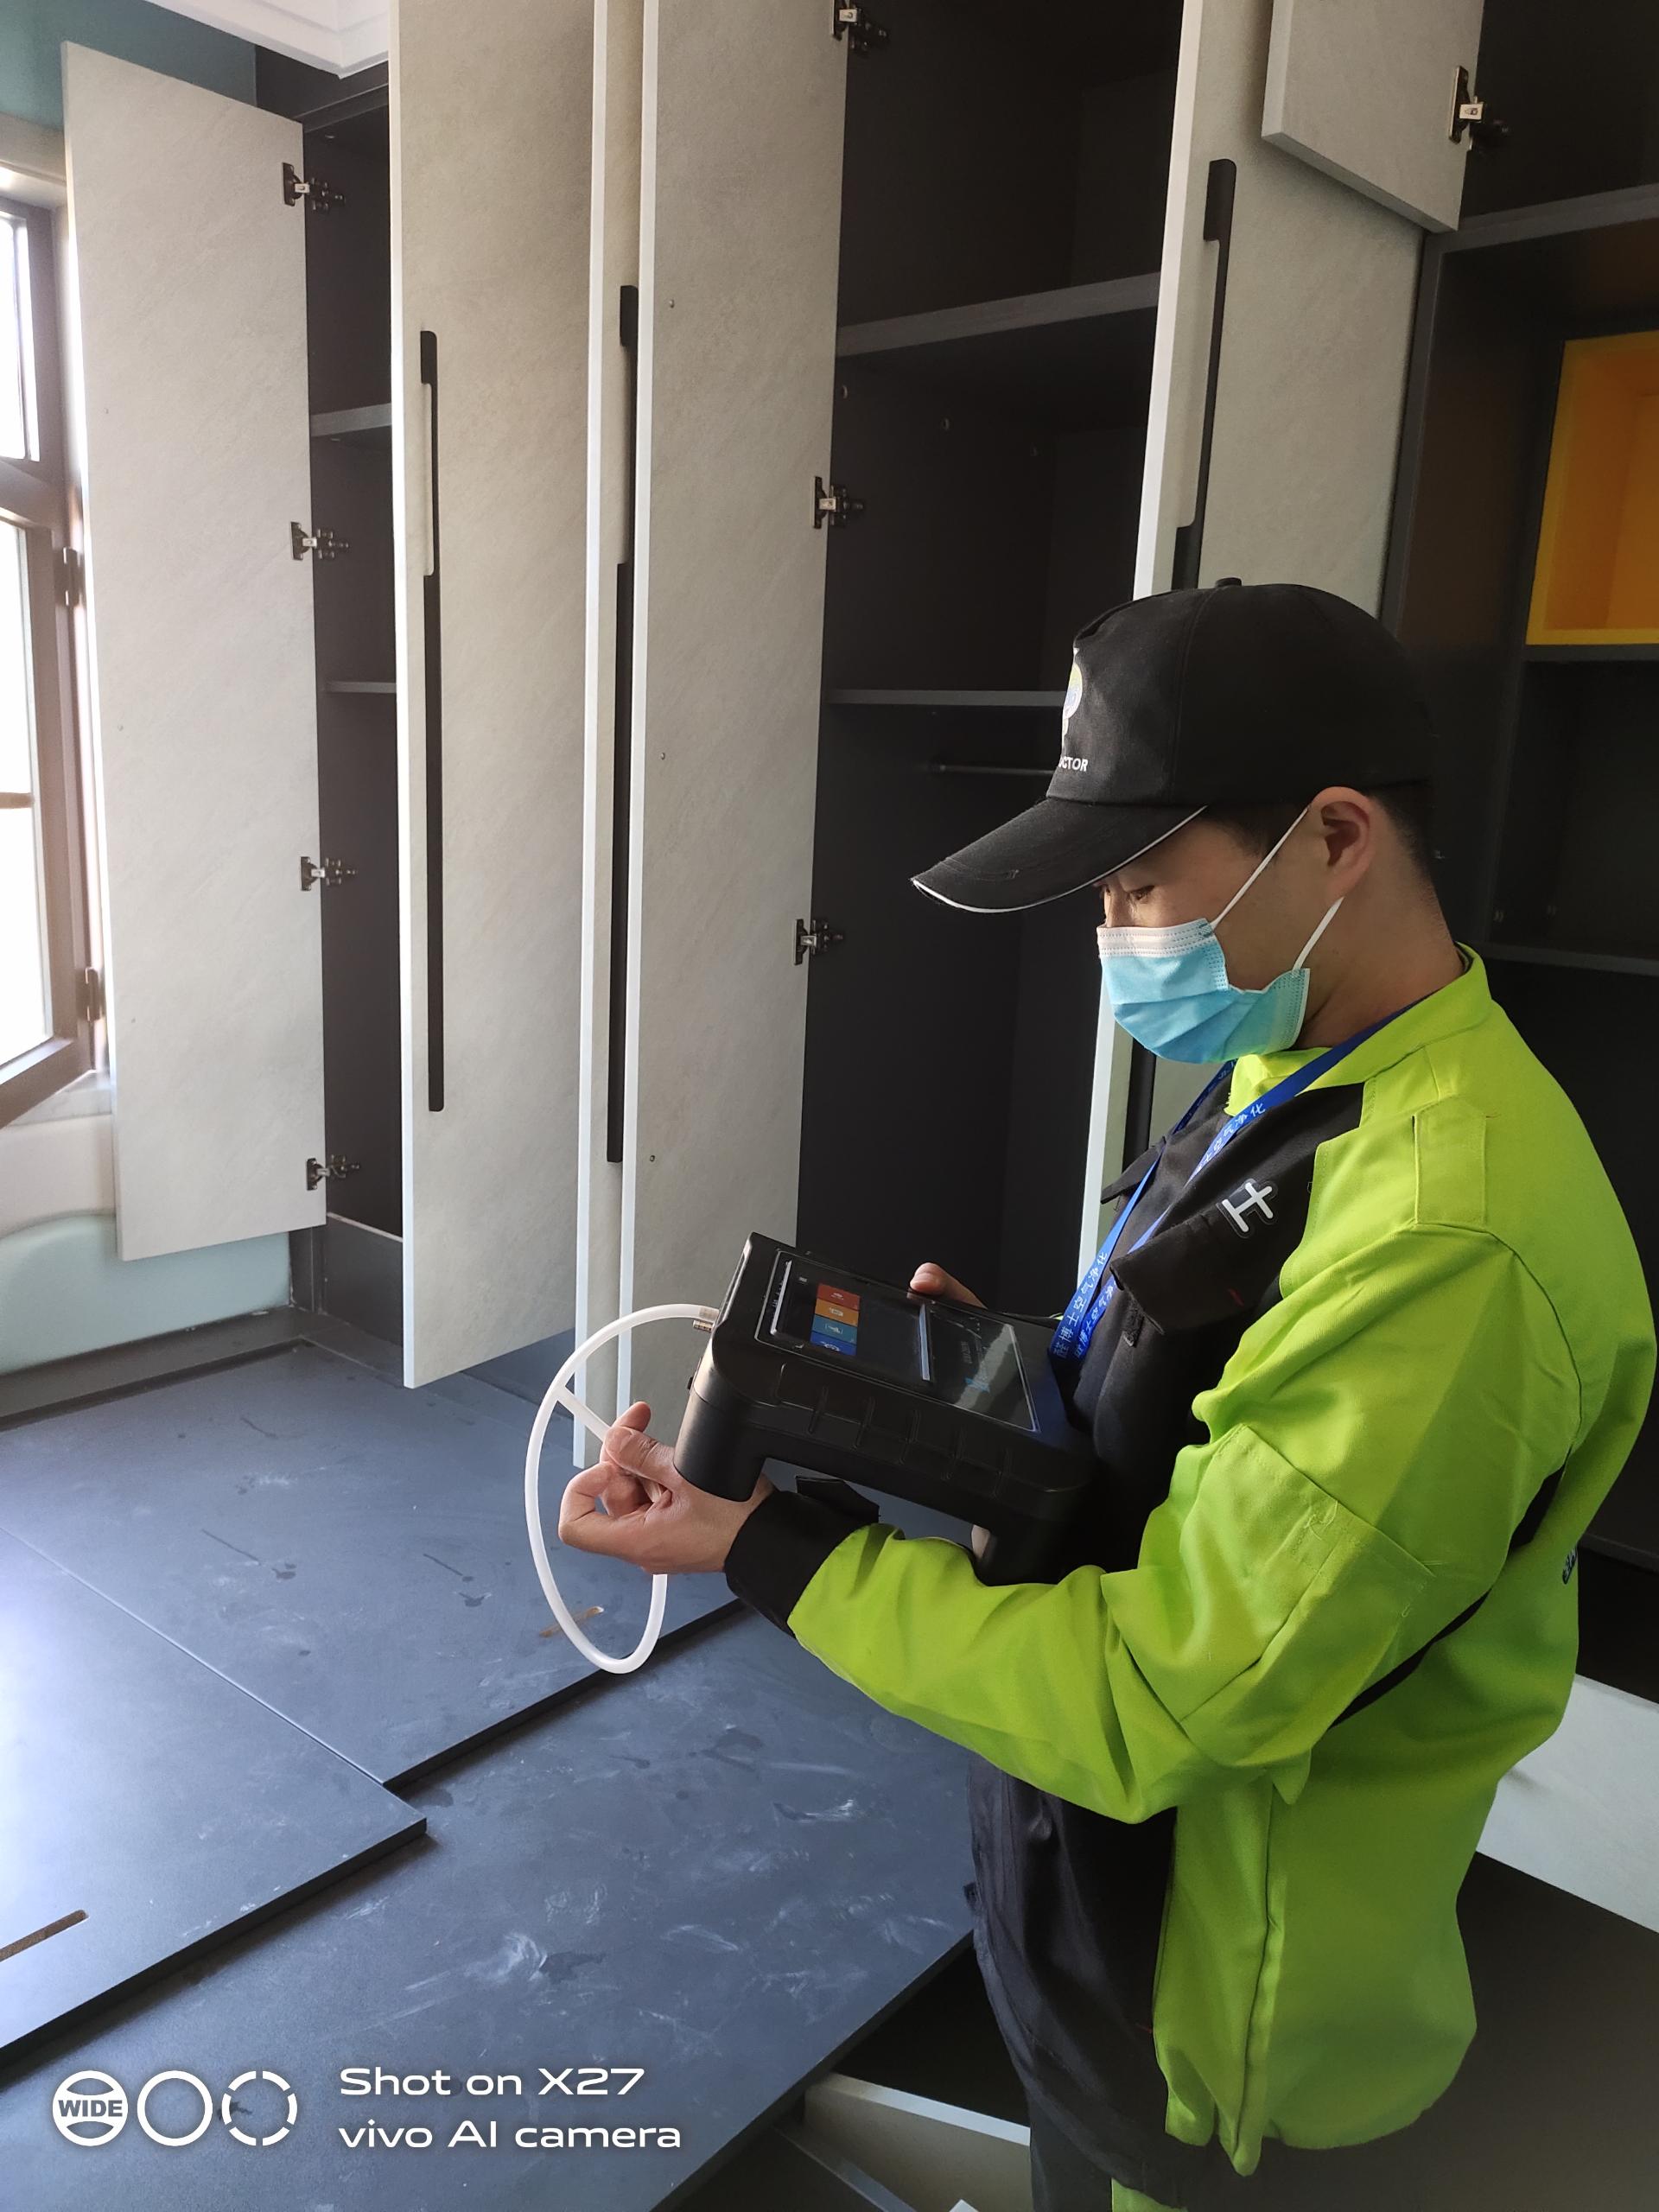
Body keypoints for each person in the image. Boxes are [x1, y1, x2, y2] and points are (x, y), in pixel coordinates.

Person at [556, 582, 1656, 2210]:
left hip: (1218, 2062)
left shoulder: (1454, 1243)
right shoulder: (1305, 1071)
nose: (1112, 928)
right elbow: (1198, 1375)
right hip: (1091, 1919)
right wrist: (1007, 1381)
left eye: (1142, 877)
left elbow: (1167, 1699)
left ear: (1335, 838)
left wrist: (768, 1552)